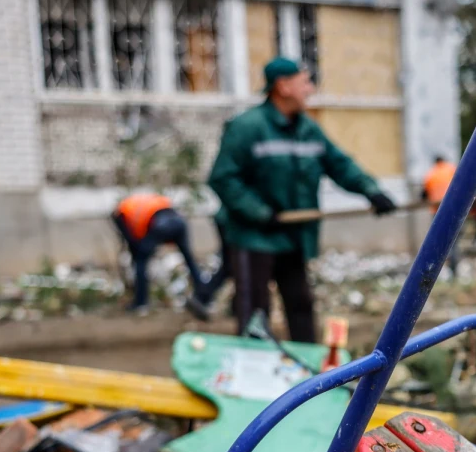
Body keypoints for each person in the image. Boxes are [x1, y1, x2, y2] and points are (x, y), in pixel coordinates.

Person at [208, 57, 397, 343]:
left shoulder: (308, 129)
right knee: (255, 314)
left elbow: (340, 165)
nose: (310, 89)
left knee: (301, 307)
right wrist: (259, 212)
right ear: (283, 86)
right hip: (253, 237)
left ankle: (311, 380)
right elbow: (223, 178)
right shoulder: (247, 127)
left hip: (294, 236)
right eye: (305, 82)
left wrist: (371, 190)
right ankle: (254, 373)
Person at [111, 192, 206, 313]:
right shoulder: (140, 202)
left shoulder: (121, 213)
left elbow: (131, 240)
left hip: (160, 224)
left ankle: (140, 302)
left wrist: (137, 253)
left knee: (140, 262)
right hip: (179, 221)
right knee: (189, 259)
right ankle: (204, 295)